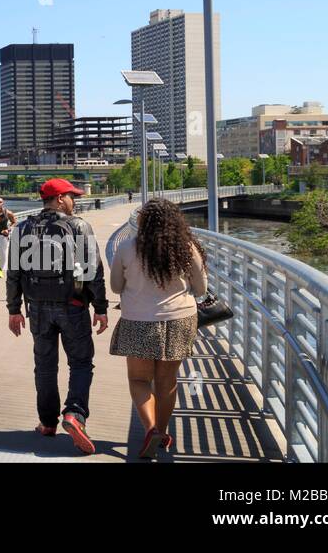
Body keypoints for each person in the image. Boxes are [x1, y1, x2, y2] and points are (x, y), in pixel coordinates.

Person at [6, 178, 109, 455]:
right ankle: (74, 414)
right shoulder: (79, 226)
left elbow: (13, 272)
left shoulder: (23, 228)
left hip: (37, 307)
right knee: (80, 363)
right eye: (72, 196)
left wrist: (14, 310)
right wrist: (100, 307)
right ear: (61, 198)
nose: (75, 201)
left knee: (45, 366)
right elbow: (94, 271)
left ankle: (48, 422)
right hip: (73, 306)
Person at [108, 197, 207, 459]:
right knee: (167, 381)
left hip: (138, 320)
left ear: (142, 221)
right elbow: (201, 289)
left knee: (139, 380)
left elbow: (116, 287)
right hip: (179, 320)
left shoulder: (128, 248)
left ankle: (150, 429)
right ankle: (162, 432)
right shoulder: (186, 247)